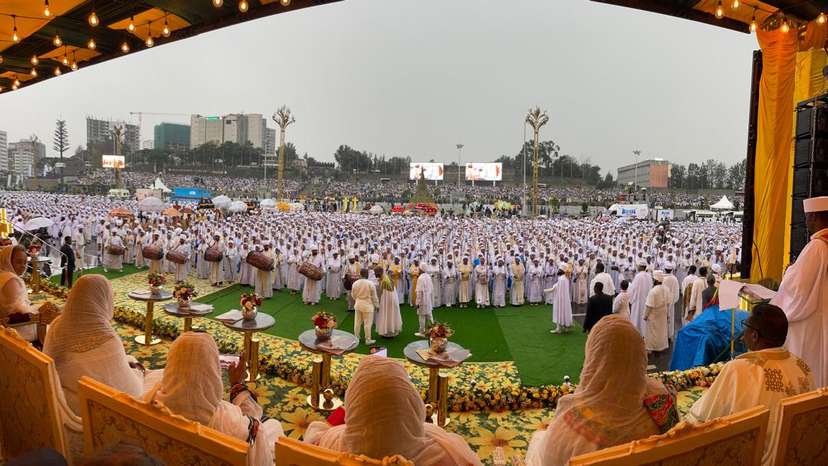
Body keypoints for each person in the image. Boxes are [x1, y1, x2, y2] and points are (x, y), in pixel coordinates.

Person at [525, 315, 676, 466]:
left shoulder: (567, 431)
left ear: (594, 359)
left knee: (538, 437)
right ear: (639, 356)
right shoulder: (661, 405)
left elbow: (547, 460)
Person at [687, 304, 814, 466]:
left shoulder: (738, 369)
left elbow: (704, 416)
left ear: (754, 335)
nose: (742, 336)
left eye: (745, 326)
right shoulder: (802, 367)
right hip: (796, 456)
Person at [303, 356, 482, 466]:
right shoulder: (446, 452)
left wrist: (346, 413)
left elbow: (316, 432)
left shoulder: (329, 445)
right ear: (412, 402)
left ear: (354, 405)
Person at [144, 332, 283, 466]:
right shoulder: (238, 427)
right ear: (213, 372)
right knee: (274, 425)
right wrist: (237, 385)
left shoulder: (147, 399)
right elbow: (253, 424)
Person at [44, 274, 161, 413]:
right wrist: (138, 372)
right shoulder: (107, 340)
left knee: (130, 360)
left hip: (58, 395)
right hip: (85, 409)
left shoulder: (56, 325)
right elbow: (129, 390)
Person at [771, 196, 828, 387]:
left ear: (814, 216)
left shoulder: (816, 247)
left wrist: (789, 272)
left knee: (808, 370)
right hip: (823, 314)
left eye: (807, 217)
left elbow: (798, 289)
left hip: (811, 321)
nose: (806, 221)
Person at [0, 245, 60, 341]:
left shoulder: (3, 276)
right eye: (18, 262)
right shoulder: (11, 279)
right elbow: (18, 311)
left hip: (8, 325)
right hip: (17, 328)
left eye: (25, 262)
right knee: (57, 328)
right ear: (8, 261)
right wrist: (40, 310)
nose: (23, 266)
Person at [351, 268, 379, 345]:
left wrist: (358, 299)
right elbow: (374, 297)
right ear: (367, 274)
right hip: (368, 305)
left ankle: (356, 337)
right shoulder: (370, 283)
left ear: (360, 274)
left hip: (358, 304)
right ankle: (368, 339)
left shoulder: (355, 283)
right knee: (367, 324)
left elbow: (353, 295)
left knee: (357, 322)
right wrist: (377, 305)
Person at [643, 271, 669, 353]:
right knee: (661, 332)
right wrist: (667, 314)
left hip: (653, 315)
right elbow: (668, 303)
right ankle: (660, 347)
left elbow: (649, 306)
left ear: (656, 280)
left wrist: (645, 316)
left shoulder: (653, 291)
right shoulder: (666, 289)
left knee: (652, 334)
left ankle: (652, 348)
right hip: (662, 314)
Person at [375, 267, 402, 337]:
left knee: (386, 313)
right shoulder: (386, 278)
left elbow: (380, 293)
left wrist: (377, 304)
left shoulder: (383, 280)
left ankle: (387, 331)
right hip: (392, 298)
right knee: (391, 313)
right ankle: (393, 329)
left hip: (386, 299)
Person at [628, 260, 652, 335]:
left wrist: (630, 300)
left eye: (638, 266)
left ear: (641, 267)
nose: (637, 267)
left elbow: (633, 289)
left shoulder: (638, 276)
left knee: (637, 318)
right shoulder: (649, 276)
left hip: (638, 301)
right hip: (646, 300)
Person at [548, 268, 572, 334]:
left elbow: (558, 288)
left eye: (559, 269)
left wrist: (554, 287)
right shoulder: (566, 278)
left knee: (559, 311)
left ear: (562, 270)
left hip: (560, 298)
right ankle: (566, 326)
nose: (558, 270)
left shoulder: (561, 279)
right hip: (565, 299)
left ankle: (558, 328)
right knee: (565, 311)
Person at [415, 267, 434, 337]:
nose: (418, 270)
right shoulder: (428, 276)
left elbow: (419, 292)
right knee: (429, 315)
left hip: (422, 300)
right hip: (428, 299)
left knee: (421, 316)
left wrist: (417, 303)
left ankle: (422, 332)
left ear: (421, 269)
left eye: (419, 269)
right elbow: (431, 288)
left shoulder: (420, 278)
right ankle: (433, 330)